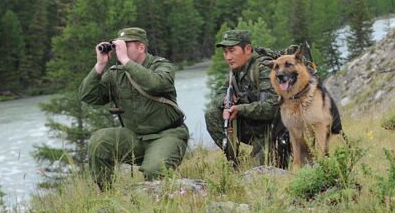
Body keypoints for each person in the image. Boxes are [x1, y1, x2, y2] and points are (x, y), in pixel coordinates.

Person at [79, 27, 188, 189]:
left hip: (166, 135)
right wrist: (100, 65)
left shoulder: (162, 66)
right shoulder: (116, 73)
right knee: (98, 141)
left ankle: (161, 201)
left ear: (141, 47)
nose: (119, 51)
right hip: (135, 138)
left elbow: (155, 84)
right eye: (118, 46)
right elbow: (88, 96)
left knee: (155, 171)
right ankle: (107, 194)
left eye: (125, 46)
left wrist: (125, 60)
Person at [205, 30, 287, 168]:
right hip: (253, 125)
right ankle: (235, 161)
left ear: (248, 49)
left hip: (273, 128)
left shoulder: (264, 68)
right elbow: (218, 96)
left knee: (258, 171)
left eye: (232, 50)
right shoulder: (235, 72)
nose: (228, 57)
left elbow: (272, 108)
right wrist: (226, 103)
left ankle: (278, 154)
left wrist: (240, 109)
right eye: (225, 52)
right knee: (212, 114)